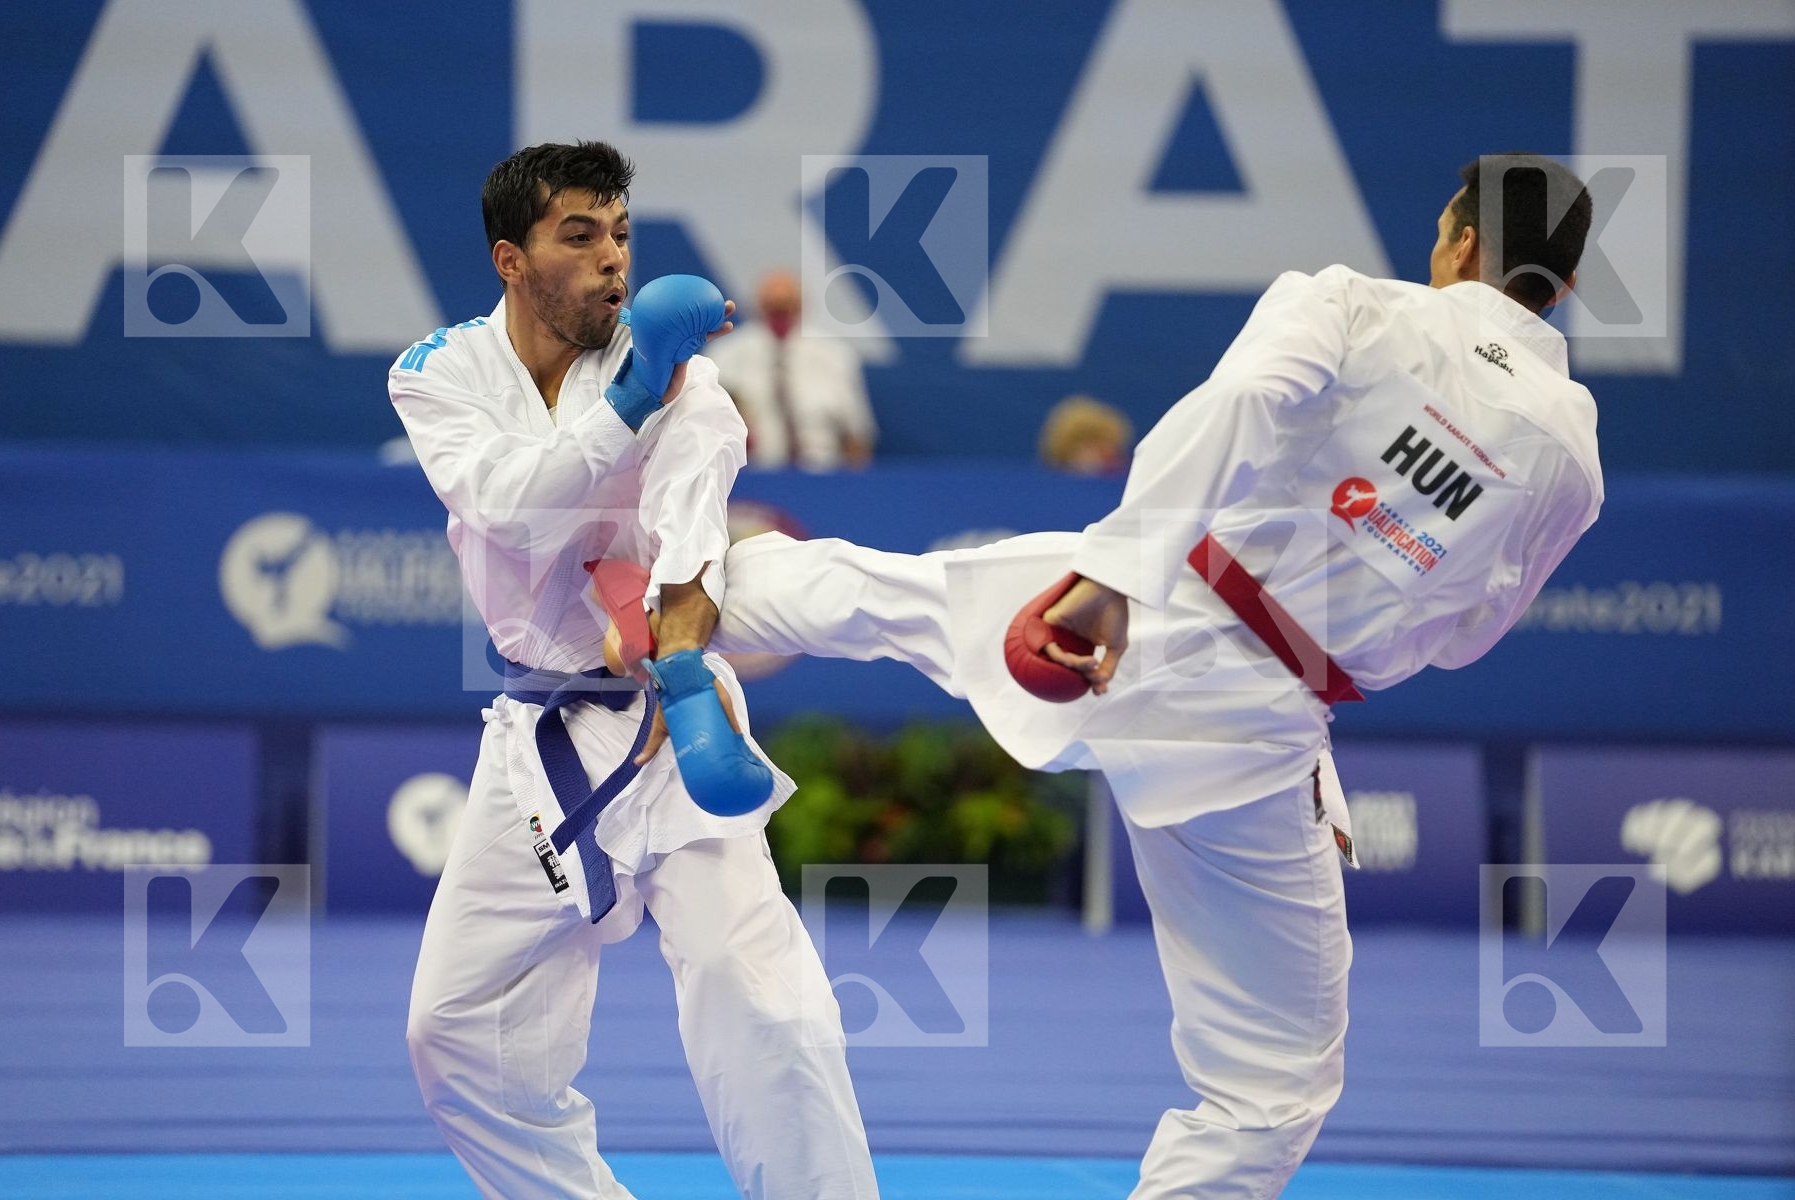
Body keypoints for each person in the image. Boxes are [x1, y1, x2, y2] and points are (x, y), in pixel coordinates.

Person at [699, 154, 1603, 1198]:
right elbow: (1466, 637)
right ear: (1566, 288)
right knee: (1270, 1087)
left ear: (1462, 243)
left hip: (1160, 602)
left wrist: (1117, 572)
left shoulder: (1354, 306)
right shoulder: (1570, 462)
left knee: (900, 599)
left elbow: (1238, 407)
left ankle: (666, 601)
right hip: (1256, 730)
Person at [391, 141, 879, 1200]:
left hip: (668, 709)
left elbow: (688, 539)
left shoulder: (689, 387)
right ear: (510, 260)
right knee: (456, 1029)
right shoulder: (436, 371)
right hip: (539, 734)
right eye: (581, 236)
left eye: (621, 235)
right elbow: (508, 510)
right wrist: (630, 399)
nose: (613, 261)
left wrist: (686, 668)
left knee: (768, 1013)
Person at [707, 269, 877, 470]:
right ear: (757, 307)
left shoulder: (834, 355)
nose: (780, 315)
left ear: (802, 307)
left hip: (822, 473)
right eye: (772, 306)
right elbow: (707, 426)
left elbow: (857, 434)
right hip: (749, 474)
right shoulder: (725, 354)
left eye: (788, 306)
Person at [1038, 394, 1134, 475]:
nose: (1104, 450)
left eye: (1105, 442)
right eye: (1090, 443)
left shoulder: (1130, 478)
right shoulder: (1048, 486)